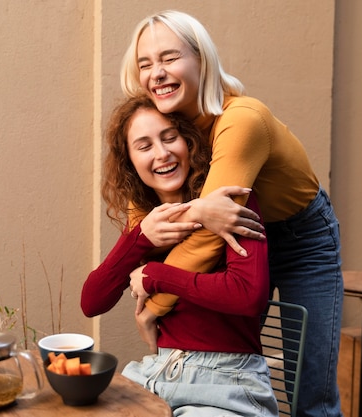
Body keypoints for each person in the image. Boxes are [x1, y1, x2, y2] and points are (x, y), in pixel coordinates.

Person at [121, 10, 344, 417]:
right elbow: (145, 206)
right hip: (238, 239)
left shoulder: (240, 119)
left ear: (201, 59)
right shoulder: (167, 121)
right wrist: (195, 212)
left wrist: (153, 303)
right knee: (228, 362)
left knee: (311, 391)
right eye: (145, 63)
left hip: (301, 241)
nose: (156, 72)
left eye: (169, 58)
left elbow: (208, 235)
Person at [81, 95, 278, 417]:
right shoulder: (146, 220)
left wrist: (156, 277)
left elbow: (247, 296)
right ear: (130, 161)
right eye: (144, 146)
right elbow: (92, 302)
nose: (162, 153)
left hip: (227, 379)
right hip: (156, 373)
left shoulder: (231, 201)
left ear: (189, 142)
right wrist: (141, 237)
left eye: (169, 137)